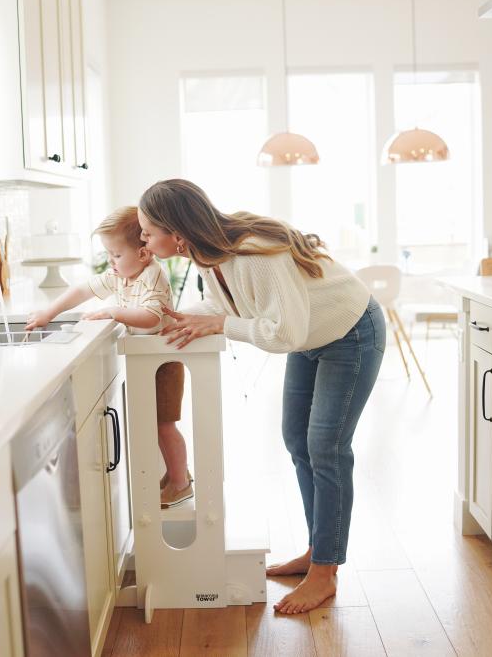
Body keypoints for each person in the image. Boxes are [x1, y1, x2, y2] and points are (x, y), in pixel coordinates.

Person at [136, 179, 385, 614]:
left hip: (350, 333)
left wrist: (219, 326)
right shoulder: (207, 257)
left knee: (325, 447)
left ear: (175, 232)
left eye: (146, 230)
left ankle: (325, 573)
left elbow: (279, 330)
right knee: (297, 440)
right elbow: (232, 309)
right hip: (311, 338)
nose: (142, 239)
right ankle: (317, 551)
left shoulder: (250, 253)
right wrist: (164, 320)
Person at [25, 206, 193, 508]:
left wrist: (115, 311)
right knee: (155, 424)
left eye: (115, 255)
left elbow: (152, 318)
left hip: (164, 362)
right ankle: (176, 475)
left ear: (143, 254)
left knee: (164, 425)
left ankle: (181, 483)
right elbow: (82, 290)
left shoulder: (153, 275)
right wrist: (48, 313)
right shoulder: (119, 274)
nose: (110, 262)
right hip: (147, 361)